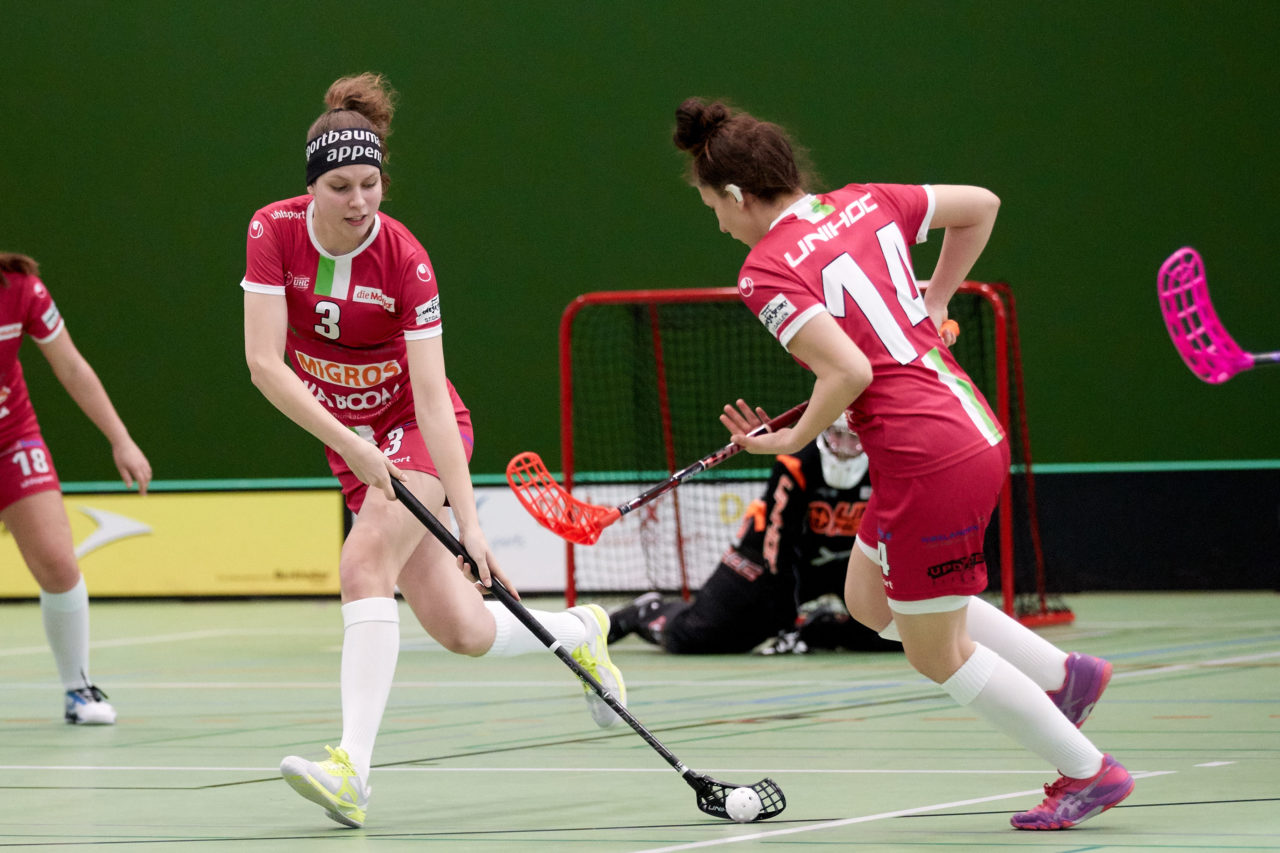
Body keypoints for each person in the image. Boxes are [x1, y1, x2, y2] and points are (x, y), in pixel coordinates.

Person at [672, 98, 1131, 831]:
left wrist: (790, 442)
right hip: (964, 427)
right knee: (868, 600)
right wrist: (938, 292)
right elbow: (982, 205)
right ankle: (1067, 676)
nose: (719, 225)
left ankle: (1089, 772)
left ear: (734, 194)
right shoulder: (867, 201)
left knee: (936, 651)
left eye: (712, 208)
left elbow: (847, 373)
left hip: (929, 460)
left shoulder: (763, 271)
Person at [241, 73, 625, 829]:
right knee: (465, 630)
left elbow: (431, 394)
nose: (359, 202)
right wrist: (350, 444)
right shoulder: (270, 231)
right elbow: (263, 364)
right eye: (342, 186)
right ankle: (584, 632)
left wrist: (471, 523)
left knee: (361, 564)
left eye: (372, 183)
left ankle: (352, 768)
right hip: (350, 440)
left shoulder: (407, 261)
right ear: (310, 186)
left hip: (413, 431)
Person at [0, 252, 152, 725]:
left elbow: (72, 368)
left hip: (11, 436)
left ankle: (78, 690)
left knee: (58, 561)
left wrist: (121, 439)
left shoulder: (21, 289)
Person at [608, 417, 898, 655]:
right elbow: (779, 551)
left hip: (845, 563)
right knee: (699, 637)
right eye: (838, 437)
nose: (846, 448)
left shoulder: (887, 464)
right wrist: (785, 625)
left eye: (854, 439)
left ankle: (820, 627)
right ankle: (647, 611)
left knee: (891, 637)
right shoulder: (797, 464)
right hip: (764, 560)